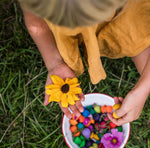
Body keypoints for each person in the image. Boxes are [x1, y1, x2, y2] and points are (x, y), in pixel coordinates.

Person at [18, 0, 150, 125]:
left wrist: (143, 89)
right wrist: (55, 63)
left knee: (135, 37)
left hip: (129, 16)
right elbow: (36, 25)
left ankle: (133, 42)